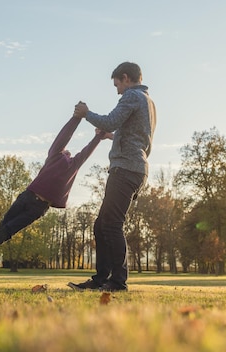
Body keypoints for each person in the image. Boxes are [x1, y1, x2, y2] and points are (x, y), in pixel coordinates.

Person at [0, 115, 113, 270]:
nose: (68, 151)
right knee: (3, 225)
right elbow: (63, 136)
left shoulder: (74, 165)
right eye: (65, 150)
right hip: (27, 196)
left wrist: (98, 137)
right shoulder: (55, 155)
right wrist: (76, 118)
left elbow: (87, 151)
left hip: (39, 207)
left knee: (10, 228)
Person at [68, 62, 156, 292]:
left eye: (117, 84)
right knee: (101, 225)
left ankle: (117, 282)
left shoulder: (132, 96)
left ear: (126, 78)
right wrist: (111, 136)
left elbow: (109, 119)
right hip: (135, 168)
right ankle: (101, 280)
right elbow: (135, 134)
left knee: (112, 225)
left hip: (125, 169)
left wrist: (86, 114)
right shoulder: (147, 100)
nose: (117, 89)